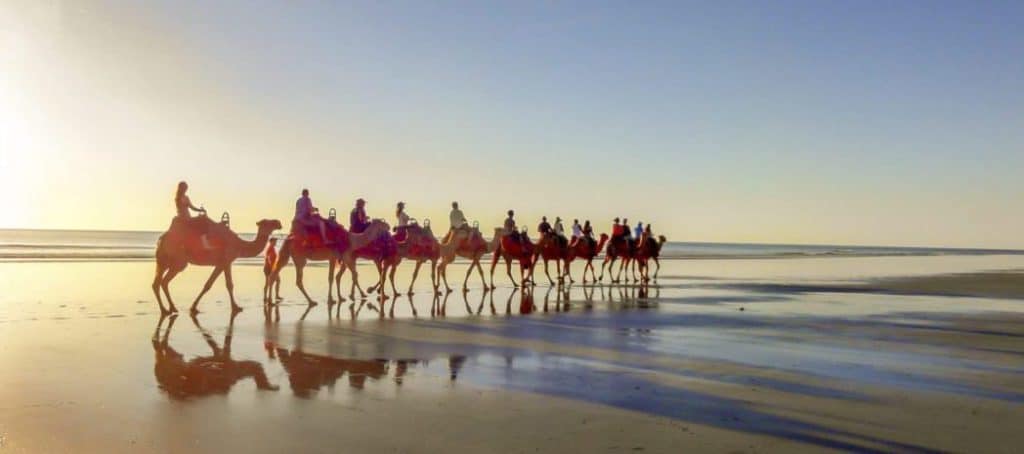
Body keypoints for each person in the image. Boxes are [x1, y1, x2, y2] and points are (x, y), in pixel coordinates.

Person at [174, 181, 212, 249]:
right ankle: (205, 244)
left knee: (203, 218)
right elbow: (181, 207)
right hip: (183, 218)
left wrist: (200, 210)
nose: (185, 190)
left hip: (188, 217)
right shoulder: (178, 198)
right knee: (202, 222)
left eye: (186, 188)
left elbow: (192, 207)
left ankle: (204, 241)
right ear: (181, 188)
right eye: (184, 188)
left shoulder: (186, 197)